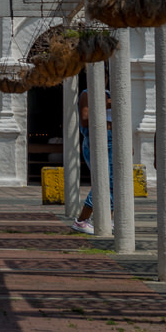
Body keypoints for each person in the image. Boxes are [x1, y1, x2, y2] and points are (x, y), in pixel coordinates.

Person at [71, 83, 114, 234]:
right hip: (97, 140)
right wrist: (103, 105)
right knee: (104, 179)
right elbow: (84, 119)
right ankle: (82, 220)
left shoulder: (109, 93)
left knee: (113, 181)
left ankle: (108, 220)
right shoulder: (87, 93)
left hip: (113, 139)